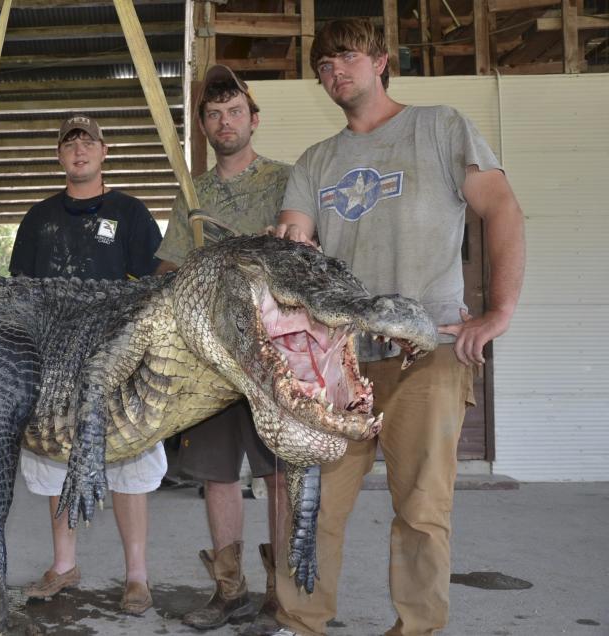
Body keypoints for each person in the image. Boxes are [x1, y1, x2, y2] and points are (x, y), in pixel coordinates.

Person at [266, 18, 526, 636]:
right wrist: (290, 243)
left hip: (428, 350)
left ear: (381, 61)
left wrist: (500, 311)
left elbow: (502, 208)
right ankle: (300, 621)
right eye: (324, 66)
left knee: (421, 507)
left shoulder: (439, 127)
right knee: (315, 506)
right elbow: (295, 233)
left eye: (347, 58)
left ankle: (417, 627)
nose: (336, 74)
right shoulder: (317, 160)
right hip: (339, 363)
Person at [9, 114, 167, 615]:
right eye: (69, 142)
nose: (79, 149)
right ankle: (63, 565)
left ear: (104, 152)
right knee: (55, 460)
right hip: (55, 362)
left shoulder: (131, 213)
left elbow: (153, 288)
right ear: (59, 155)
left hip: (117, 360)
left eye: (88, 141)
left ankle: (137, 575)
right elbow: (19, 294)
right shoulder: (38, 219)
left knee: (130, 463)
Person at [154, 65, 294, 631]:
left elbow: (306, 253)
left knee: (279, 474)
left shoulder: (288, 181)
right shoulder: (194, 195)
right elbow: (167, 267)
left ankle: (282, 594)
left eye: (234, 110)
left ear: (253, 119)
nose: (224, 121)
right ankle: (228, 591)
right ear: (206, 129)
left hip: (273, 355)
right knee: (217, 474)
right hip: (210, 358)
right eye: (214, 115)